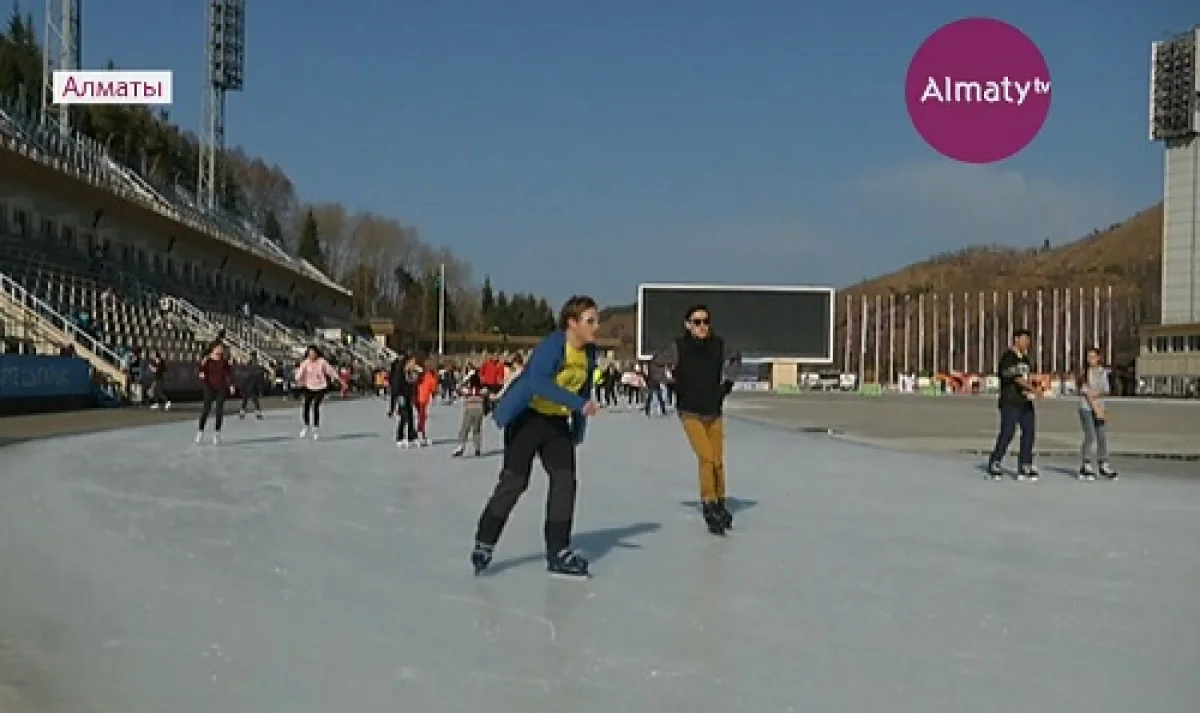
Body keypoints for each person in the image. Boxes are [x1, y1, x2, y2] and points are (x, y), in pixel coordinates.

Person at [470, 295, 602, 579]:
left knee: (565, 482)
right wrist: (579, 406)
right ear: (572, 323)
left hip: (556, 422)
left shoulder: (590, 353)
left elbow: (583, 391)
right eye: (590, 320)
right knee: (515, 482)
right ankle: (485, 541)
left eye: (596, 320)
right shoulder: (554, 345)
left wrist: (578, 427)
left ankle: (559, 550)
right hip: (527, 418)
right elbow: (537, 382)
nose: (596, 327)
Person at [650, 304, 741, 535]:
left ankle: (720, 500)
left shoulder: (719, 345)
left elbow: (735, 358)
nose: (702, 326)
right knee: (706, 457)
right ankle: (709, 502)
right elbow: (655, 365)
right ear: (688, 324)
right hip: (690, 411)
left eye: (705, 321)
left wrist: (727, 383)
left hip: (713, 409)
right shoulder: (678, 347)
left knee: (718, 460)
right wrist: (671, 382)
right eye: (697, 322)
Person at [987, 328, 1039, 480]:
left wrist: (1031, 388)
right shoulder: (1008, 358)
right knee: (1008, 432)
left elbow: (1026, 377)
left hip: (1025, 401)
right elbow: (1016, 378)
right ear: (1016, 339)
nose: (1027, 343)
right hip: (1010, 401)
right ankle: (995, 461)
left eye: (1028, 340)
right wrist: (1032, 388)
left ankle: (1025, 464)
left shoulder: (1026, 359)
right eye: (1024, 339)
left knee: (1029, 432)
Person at [1077, 346, 1118, 480]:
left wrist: (1099, 403)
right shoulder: (1084, 373)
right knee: (1090, 435)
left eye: (1093, 356)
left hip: (1100, 407)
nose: (1091, 359)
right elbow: (1087, 393)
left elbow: (1106, 389)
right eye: (1088, 357)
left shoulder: (1102, 372)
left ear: (1098, 357)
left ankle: (1103, 464)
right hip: (1086, 408)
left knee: (1102, 436)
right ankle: (1086, 464)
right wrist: (1096, 409)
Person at [295, 345, 338, 440]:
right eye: (310, 353)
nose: (312, 355)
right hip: (308, 387)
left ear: (317, 353)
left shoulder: (322, 362)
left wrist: (339, 380)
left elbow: (330, 371)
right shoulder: (305, 363)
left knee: (315, 406)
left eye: (313, 353)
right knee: (306, 406)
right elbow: (300, 373)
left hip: (321, 387)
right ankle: (306, 426)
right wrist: (298, 380)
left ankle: (315, 428)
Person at [196, 342, 234, 444]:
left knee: (219, 411)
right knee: (206, 410)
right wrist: (202, 375)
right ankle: (200, 431)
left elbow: (228, 374)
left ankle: (217, 433)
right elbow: (201, 371)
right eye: (219, 348)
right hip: (209, 387)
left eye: (222, 348)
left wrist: (231, 385)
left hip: (221, 388)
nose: (221, 350)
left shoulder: (224, 361)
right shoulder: (206, 360)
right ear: (213, 349)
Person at [451, 370, 487, 458]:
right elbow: (487, 393)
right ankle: (477, 448)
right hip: (479, 410)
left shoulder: (468, 390)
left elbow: (458, 388)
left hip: (469, 410)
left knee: (465, 428)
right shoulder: (482, 389)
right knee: (477, 429)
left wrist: (466, 379)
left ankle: (461, 446)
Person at [415, 361, 437, 446]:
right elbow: (433, 390)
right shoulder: (432, 378)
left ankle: (421, 433)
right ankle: (420, 433)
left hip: (417, 397)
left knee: (422, 416)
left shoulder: (421, 375)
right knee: (422, 417)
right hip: (423, 399)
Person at [239, 355, 268, 419]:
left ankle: (242, 413)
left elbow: (242, 378)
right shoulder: (255, 369)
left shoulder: (245, 369)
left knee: (245, 400)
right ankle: (257, 413)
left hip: (247, 386)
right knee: (253, 400)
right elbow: (262, 375)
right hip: (251, 386)